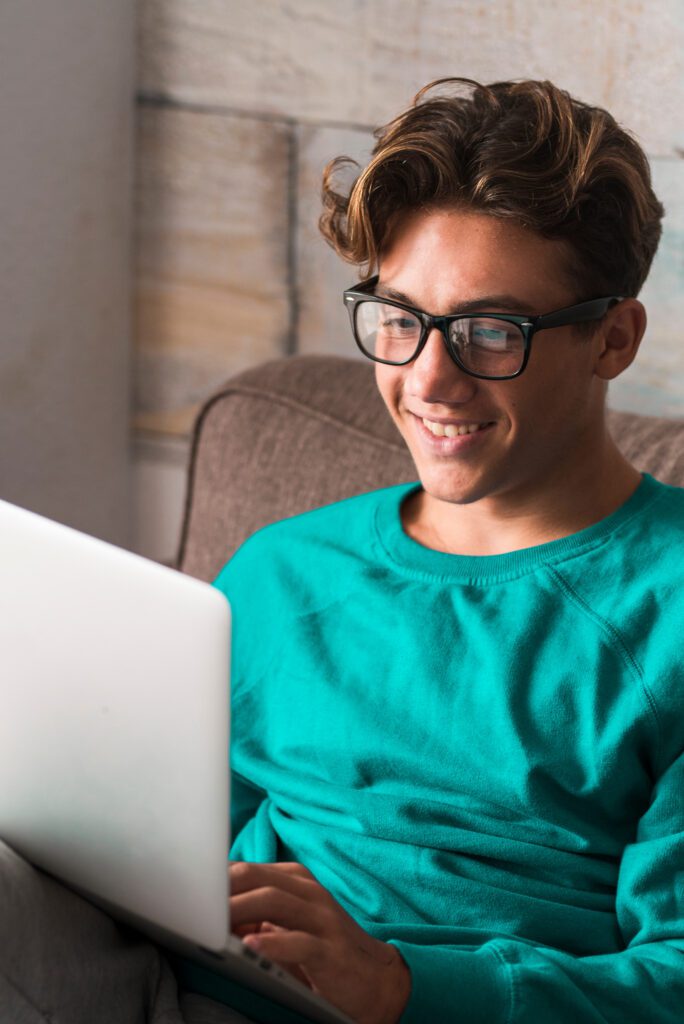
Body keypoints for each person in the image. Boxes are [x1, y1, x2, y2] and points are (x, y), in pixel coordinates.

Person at [1, 77, 682, 1024]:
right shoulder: (284, 572)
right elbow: (143, 843)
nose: (428, 379)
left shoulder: (667, 607)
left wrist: (402, 988)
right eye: (399, 318)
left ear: (613, 338)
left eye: (491, 331)